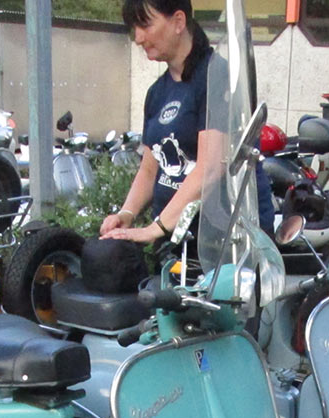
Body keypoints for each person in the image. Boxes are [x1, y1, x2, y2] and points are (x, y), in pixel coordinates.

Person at [100, 0, 273, 244]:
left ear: (178, 22)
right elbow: (149, 169)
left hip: (226, 242)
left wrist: (155, 228)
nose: (137, 38)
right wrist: (126, 214)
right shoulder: (157, 92)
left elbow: (210, 168)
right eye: (133, 28)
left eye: (145, 25)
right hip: (175, 239)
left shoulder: (218, 77)